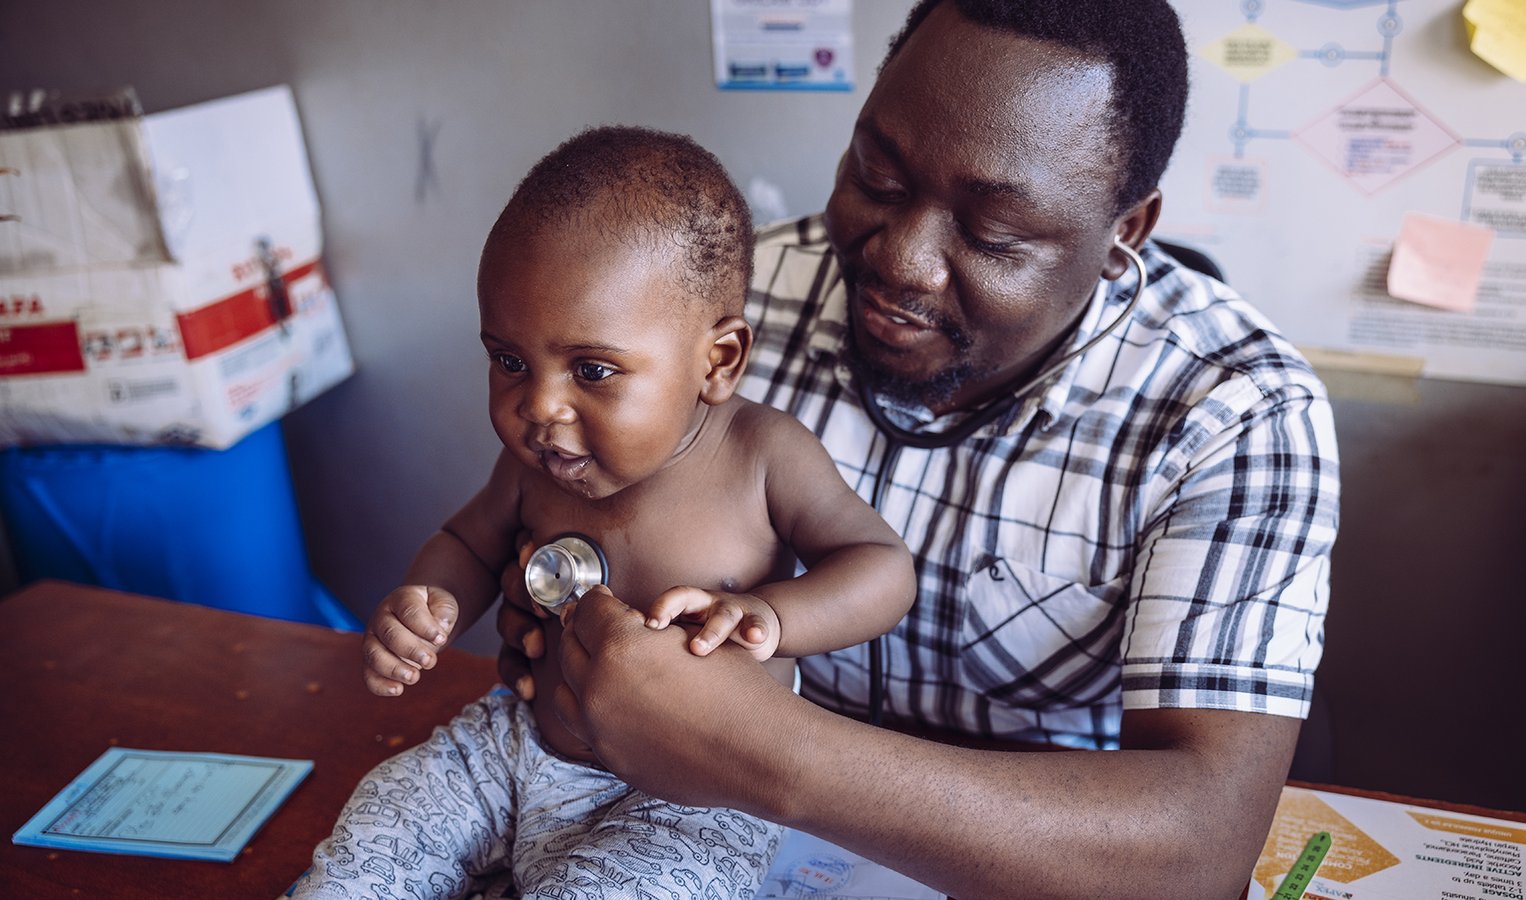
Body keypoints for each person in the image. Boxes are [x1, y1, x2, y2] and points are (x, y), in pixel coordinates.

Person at [495, 2, 1341, 898]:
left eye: (991, 235)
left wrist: (765, 752)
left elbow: (1202, 848)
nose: (902, 261)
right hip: (669, 826)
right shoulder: (707, 317)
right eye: (879, 178)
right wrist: (572, 626)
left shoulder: (1236, 412)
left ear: (1125, 231)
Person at [290, 126, 916, 899]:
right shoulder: (538, 466)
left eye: (592, 369)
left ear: (717, 360)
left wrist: (769, 616)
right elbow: (468, 543)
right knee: (377, 832)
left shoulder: (764, 455)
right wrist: (426, 603)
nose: (540, 407)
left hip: (694, 795)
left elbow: (881, 569)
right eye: (509, 360)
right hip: (516, 744)